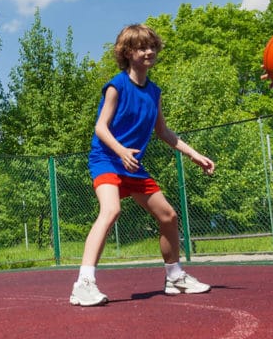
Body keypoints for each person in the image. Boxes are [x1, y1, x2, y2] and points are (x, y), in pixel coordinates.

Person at [70, 24, 216, 306]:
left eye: (151, 46)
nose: (148, 51)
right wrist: (121, 150)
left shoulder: (154, 93)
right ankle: (83, 283)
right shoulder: (116, 86)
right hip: (107, 159)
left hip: (132, 165)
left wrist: (194, 154)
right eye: (140, 47)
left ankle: (174, 277)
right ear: (127, 53)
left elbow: (163, 132)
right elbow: (101, 127)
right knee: (111, 210)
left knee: (168, 217)